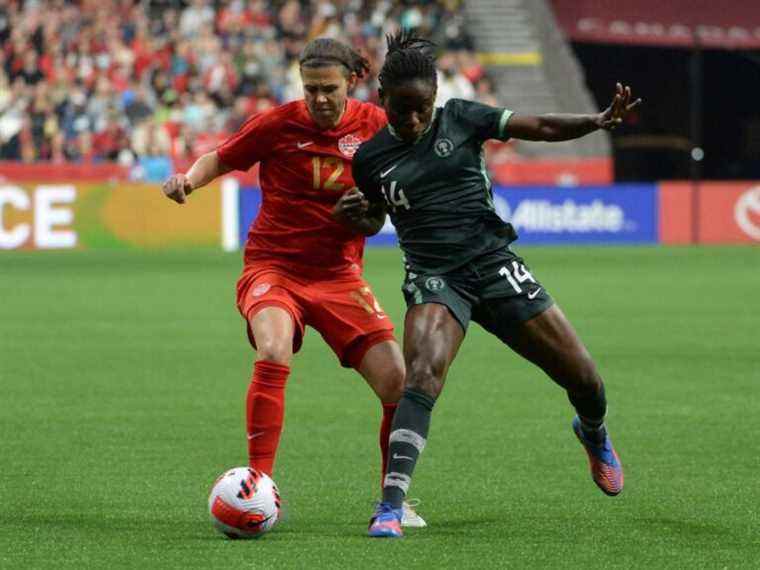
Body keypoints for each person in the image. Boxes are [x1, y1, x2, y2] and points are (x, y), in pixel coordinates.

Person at [337, 32, 642, 538]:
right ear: (382, 100)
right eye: (400, 111)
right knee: (423, 375)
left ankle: (592, 432)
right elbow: (373, 219)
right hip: (436, 277)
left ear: (434, 97)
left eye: (420, 109)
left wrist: (596, 120)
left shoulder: (461, 117)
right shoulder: (370, 159)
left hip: (494, 265)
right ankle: (390, 505)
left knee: (585, 380)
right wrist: (355, 215)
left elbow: (538, 124)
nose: (411, 121)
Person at [161, 38, 427, 527]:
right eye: (310, 89)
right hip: (273, 267)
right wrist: (188, 181)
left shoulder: (374, 125)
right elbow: (221, 157)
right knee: (274, 347)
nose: (319, 99)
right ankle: (255, 483)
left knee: (398, 381)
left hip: (338, 274)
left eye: (328, 88)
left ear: (351, 82)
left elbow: (404, 181)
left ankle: (393, 500)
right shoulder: (279, 124)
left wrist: (377, 212)